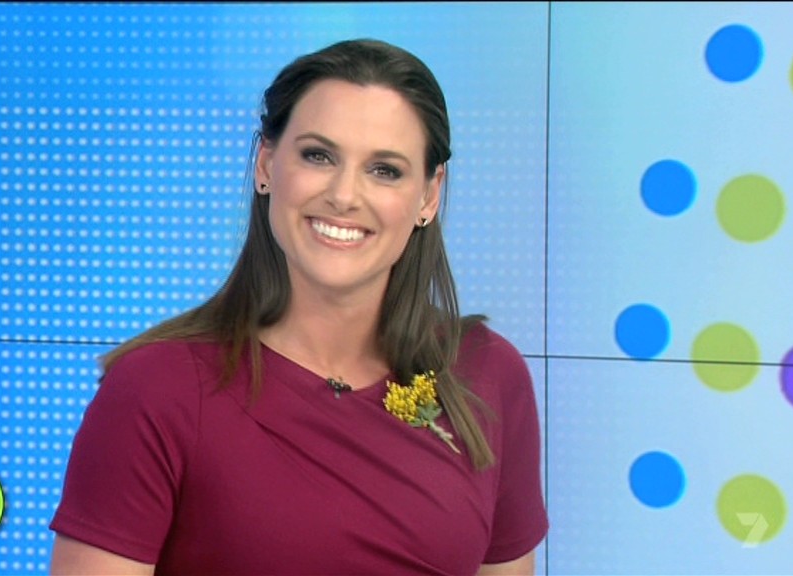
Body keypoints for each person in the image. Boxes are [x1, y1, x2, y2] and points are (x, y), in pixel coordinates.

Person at [49, 38, 548, 575]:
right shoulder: (155, 389)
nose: (344, 195)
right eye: (318, 156)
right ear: (267, 164)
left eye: (384, 169)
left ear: (429, 195)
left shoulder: (487, 373)